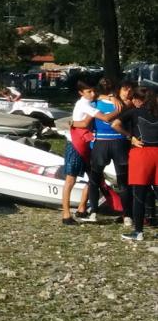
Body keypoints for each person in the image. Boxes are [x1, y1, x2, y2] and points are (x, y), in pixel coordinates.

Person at [111, 86, 158, 240]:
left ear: (138, 100)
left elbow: (115, 124)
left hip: (141, 153)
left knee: (139, 194)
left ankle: (138, 232)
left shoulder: (134, 112)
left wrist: (130, 136)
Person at [85, 77, 131, 224]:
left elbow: (87, 124)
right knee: (123, 182)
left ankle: (93, 212)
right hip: (120, 143)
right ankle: (127, 215)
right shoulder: (124, 104)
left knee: (95, 180)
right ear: (115, 89)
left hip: (101, 143)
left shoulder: (93, 103)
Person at [61, 79, 99, 225]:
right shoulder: (83, 103)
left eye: (94, 90)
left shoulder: (90, 102)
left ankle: (82, 207)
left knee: (94, 177)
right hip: (76, 144)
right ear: (81, 93)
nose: (93, 93)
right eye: (89, 91)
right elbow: (84, 123)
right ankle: (66, 214)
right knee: (71, 179)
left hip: (87, 143)